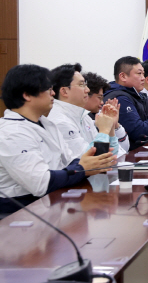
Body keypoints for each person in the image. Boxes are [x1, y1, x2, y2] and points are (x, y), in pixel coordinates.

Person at [0, 64, 116, 214]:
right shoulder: (11, 133)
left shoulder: (47, 123)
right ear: (27, 95)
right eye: (48, 89)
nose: (53, 94)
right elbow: (41, 183)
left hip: (52, 202)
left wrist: (83, 165)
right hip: (19, 211)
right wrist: (81, 168)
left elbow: (70, 160)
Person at [47, 63, 121, 159]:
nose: (87, 90)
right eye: (82, 85)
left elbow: (112, 156)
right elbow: (89, 159)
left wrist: (110, 127)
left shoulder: (84, 116)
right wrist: (104, 130)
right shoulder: (59, 121)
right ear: (64, 91)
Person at [83, 71, 130, 153]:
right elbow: (96, 155)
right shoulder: (87, 118)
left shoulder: (90, 117)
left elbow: (123, 149)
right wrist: (104, 130)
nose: (102, 102)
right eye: (99, 97)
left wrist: (115, 126)